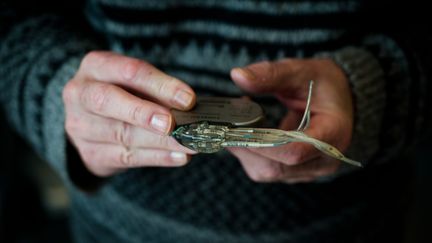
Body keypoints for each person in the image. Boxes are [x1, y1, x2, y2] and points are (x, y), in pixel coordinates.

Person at [0, 0, 430, 242]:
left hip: (353, 231)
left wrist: (373, 91)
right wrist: (56, 93)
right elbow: (14, 23)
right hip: (116, 230)